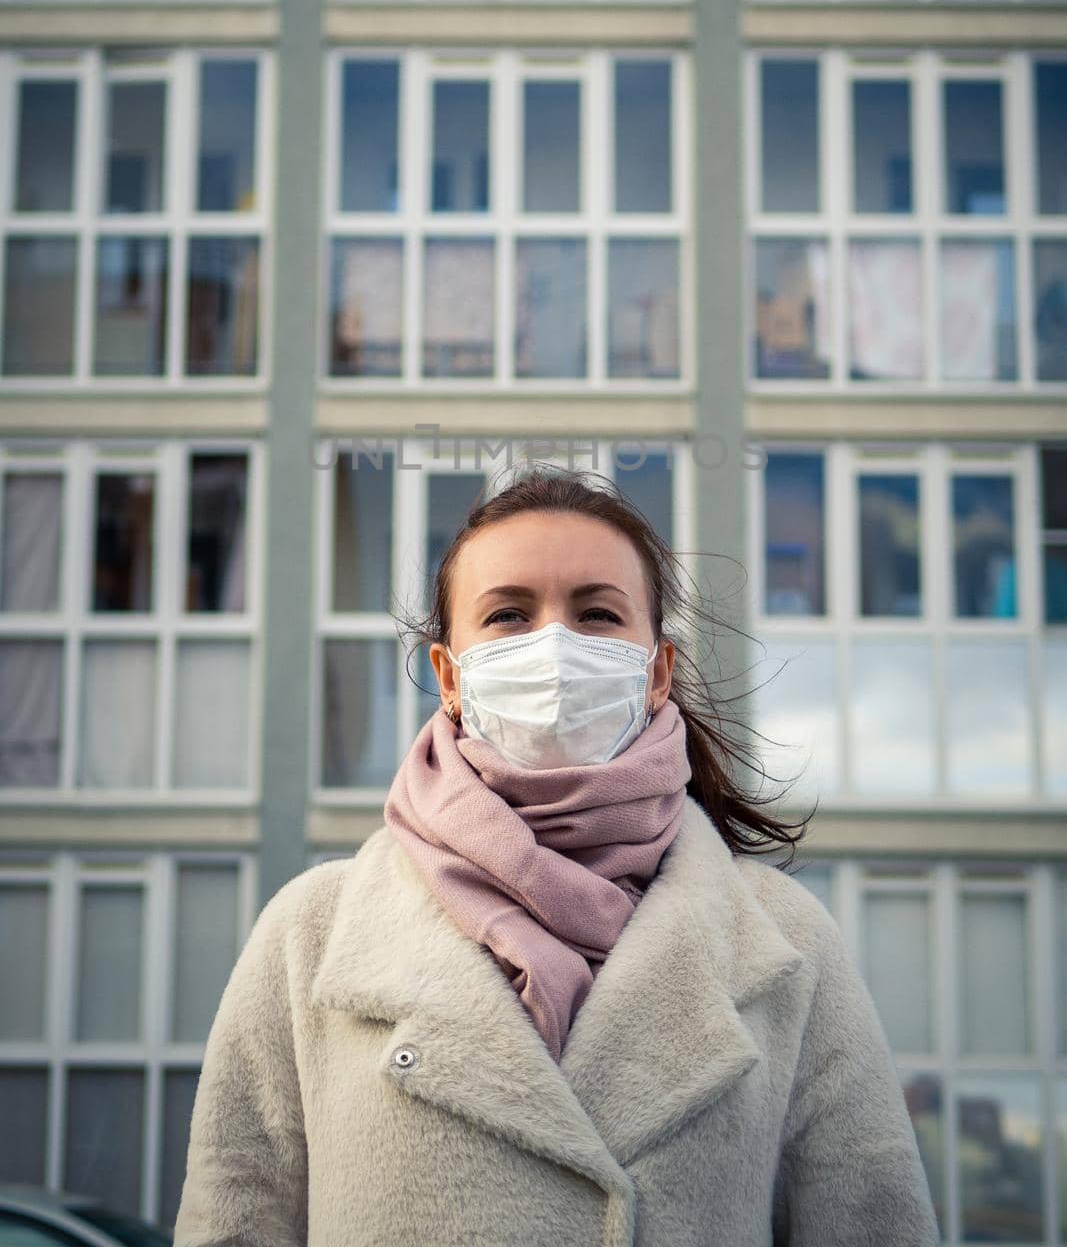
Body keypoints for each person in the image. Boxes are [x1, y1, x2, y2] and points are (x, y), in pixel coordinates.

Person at [173, 466, 940, 1247]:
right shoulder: (310, 934)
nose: (553, 647)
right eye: (507, 614)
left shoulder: (785, 943)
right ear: (448, 677)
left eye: (597, 614)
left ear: (657, 672)